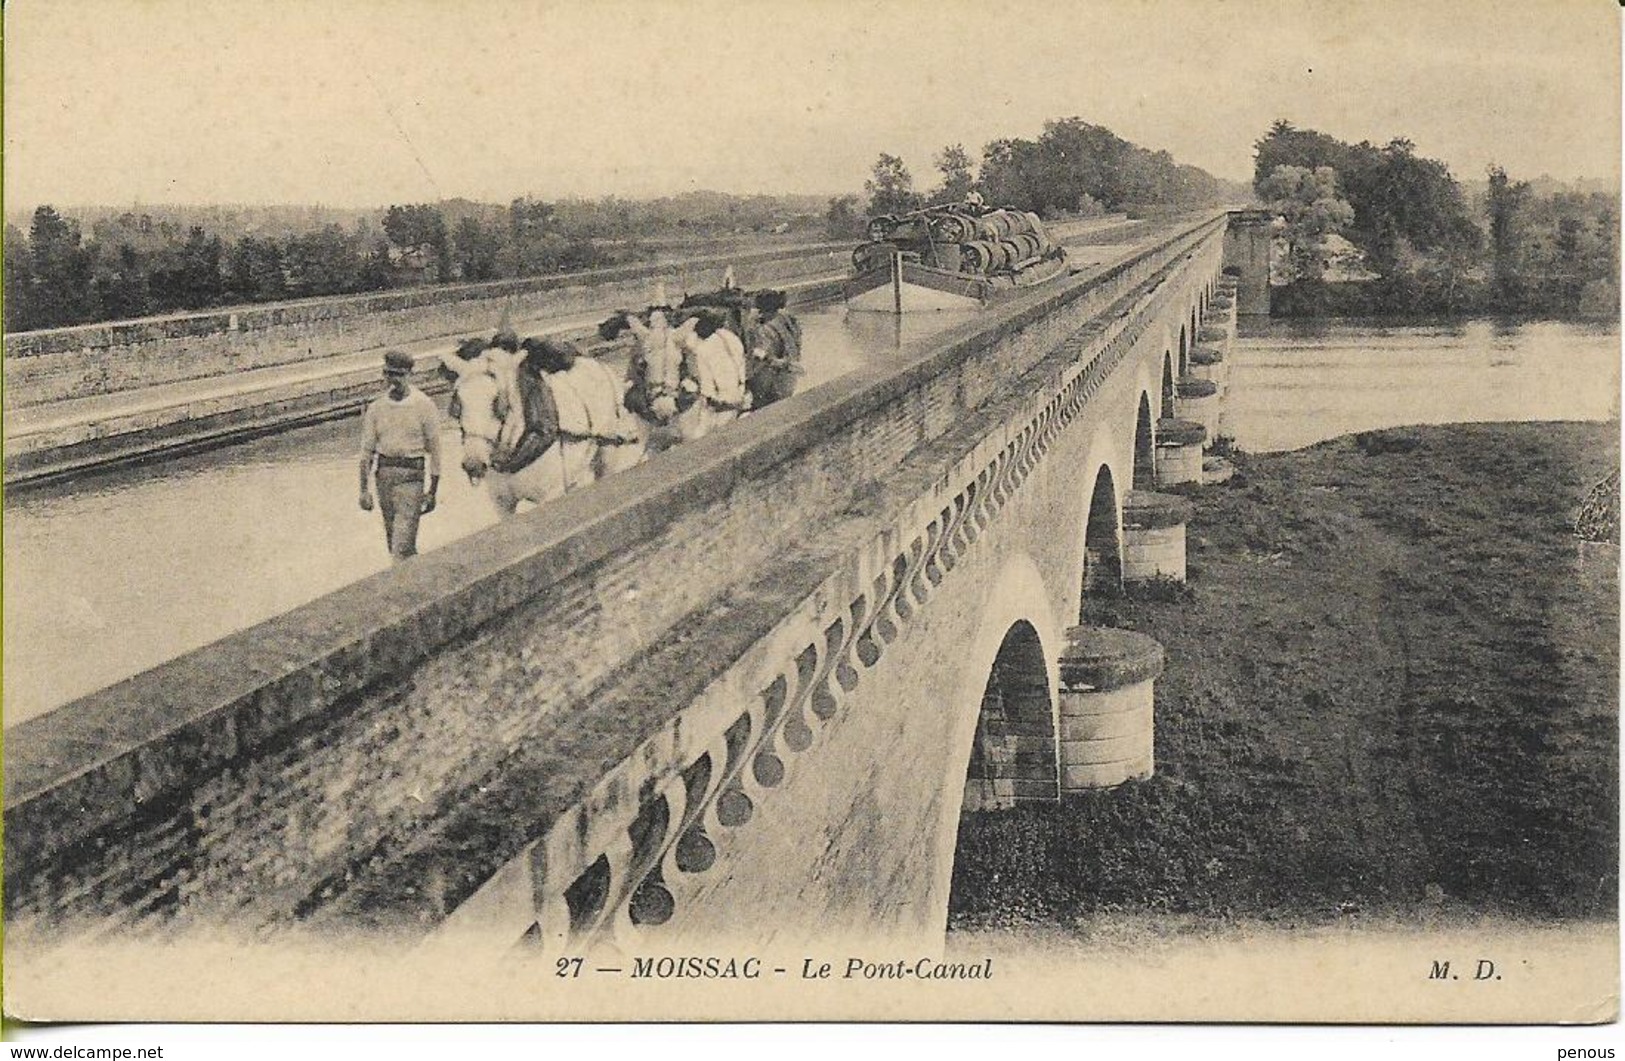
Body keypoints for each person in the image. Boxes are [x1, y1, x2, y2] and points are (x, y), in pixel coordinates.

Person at [358, 350, 442, 562]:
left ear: (409, 375)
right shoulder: (376, 408)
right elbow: (366, 451)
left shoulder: (424, 405)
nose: (393, 380)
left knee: (401, 544)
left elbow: (435, 451)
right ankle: (413, 578)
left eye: (398, 375)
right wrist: (363, 490)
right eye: (388, 374)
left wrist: (432, 490)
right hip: (384, 476)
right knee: (394, 540)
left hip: (411, 477)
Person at [745, 289, 802, 410]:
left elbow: (763, 356)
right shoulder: (787, 319)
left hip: (774, 380)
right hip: (791, 376)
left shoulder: (765, 330)